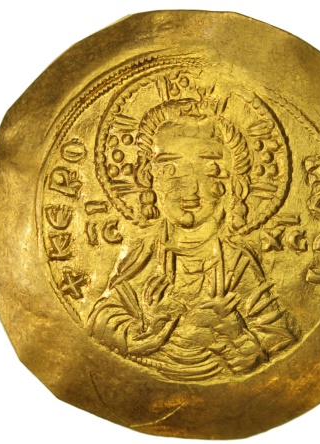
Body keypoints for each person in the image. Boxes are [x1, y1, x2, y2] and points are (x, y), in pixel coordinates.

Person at [87, 99, 298, 381]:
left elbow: (276, 341)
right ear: (149, 178)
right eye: (170, 169)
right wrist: (147, 332)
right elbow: (102, 319)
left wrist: (236, 336)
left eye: (209, 169)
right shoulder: (143, 256)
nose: (189, 187)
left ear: (231, 182)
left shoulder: (236, 264)